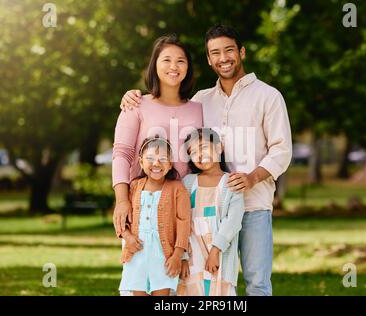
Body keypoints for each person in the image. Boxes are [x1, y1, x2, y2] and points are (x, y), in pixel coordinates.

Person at [120, 24, 292, 296]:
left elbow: (282, 150)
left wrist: (252, 177)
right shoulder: (201, 101)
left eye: (229, 50)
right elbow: (178, 134)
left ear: (242, 52)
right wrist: (134, 95)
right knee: (200, 283)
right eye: (215, 53)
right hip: (206, 211)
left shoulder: (268, 96)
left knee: (257, 283)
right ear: (209, 59)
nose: (223, 58)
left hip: (253, 205)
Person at [112, 34, 203, 242]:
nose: (174, 66)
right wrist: (122, 200)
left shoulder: (199, 108)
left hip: (188, 201)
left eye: (181, 61)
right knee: (142, 267)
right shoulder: (135, 105)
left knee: (185, 270)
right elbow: (122, 154)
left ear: (188, 67)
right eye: (167, 60)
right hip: (144, 201)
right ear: (155, 65)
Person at [118, 136, 191, 296]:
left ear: (170, 164)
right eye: (150, 158)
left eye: (162, 159)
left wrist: (178, 255)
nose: (156, 163)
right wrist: (128, 237)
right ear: (141, 161)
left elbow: (184, 223)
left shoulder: (177, 188)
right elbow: (121, 218)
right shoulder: (134, 186)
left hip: (163, 255)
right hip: (137, 254)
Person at [177, 128, 244, 296]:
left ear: (219, 148)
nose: (200, 155)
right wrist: (183, 257)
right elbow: (181, 220)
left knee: (218, 292)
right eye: (193, 152)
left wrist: (216, 250)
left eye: (204, 147)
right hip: (193, 254)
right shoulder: (188, 182)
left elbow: (233, 221)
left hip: (220, 251)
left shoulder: (231, 182)